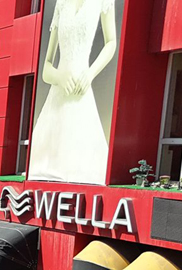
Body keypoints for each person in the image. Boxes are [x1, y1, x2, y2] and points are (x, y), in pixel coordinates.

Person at [26, 0, 118, 185]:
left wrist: (90, 73)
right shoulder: (61, 3)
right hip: (57, 98)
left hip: (81, 91)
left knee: (83, 170)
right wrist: (60, 77)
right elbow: (46, 69)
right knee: (45, 167)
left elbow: (111, 42)